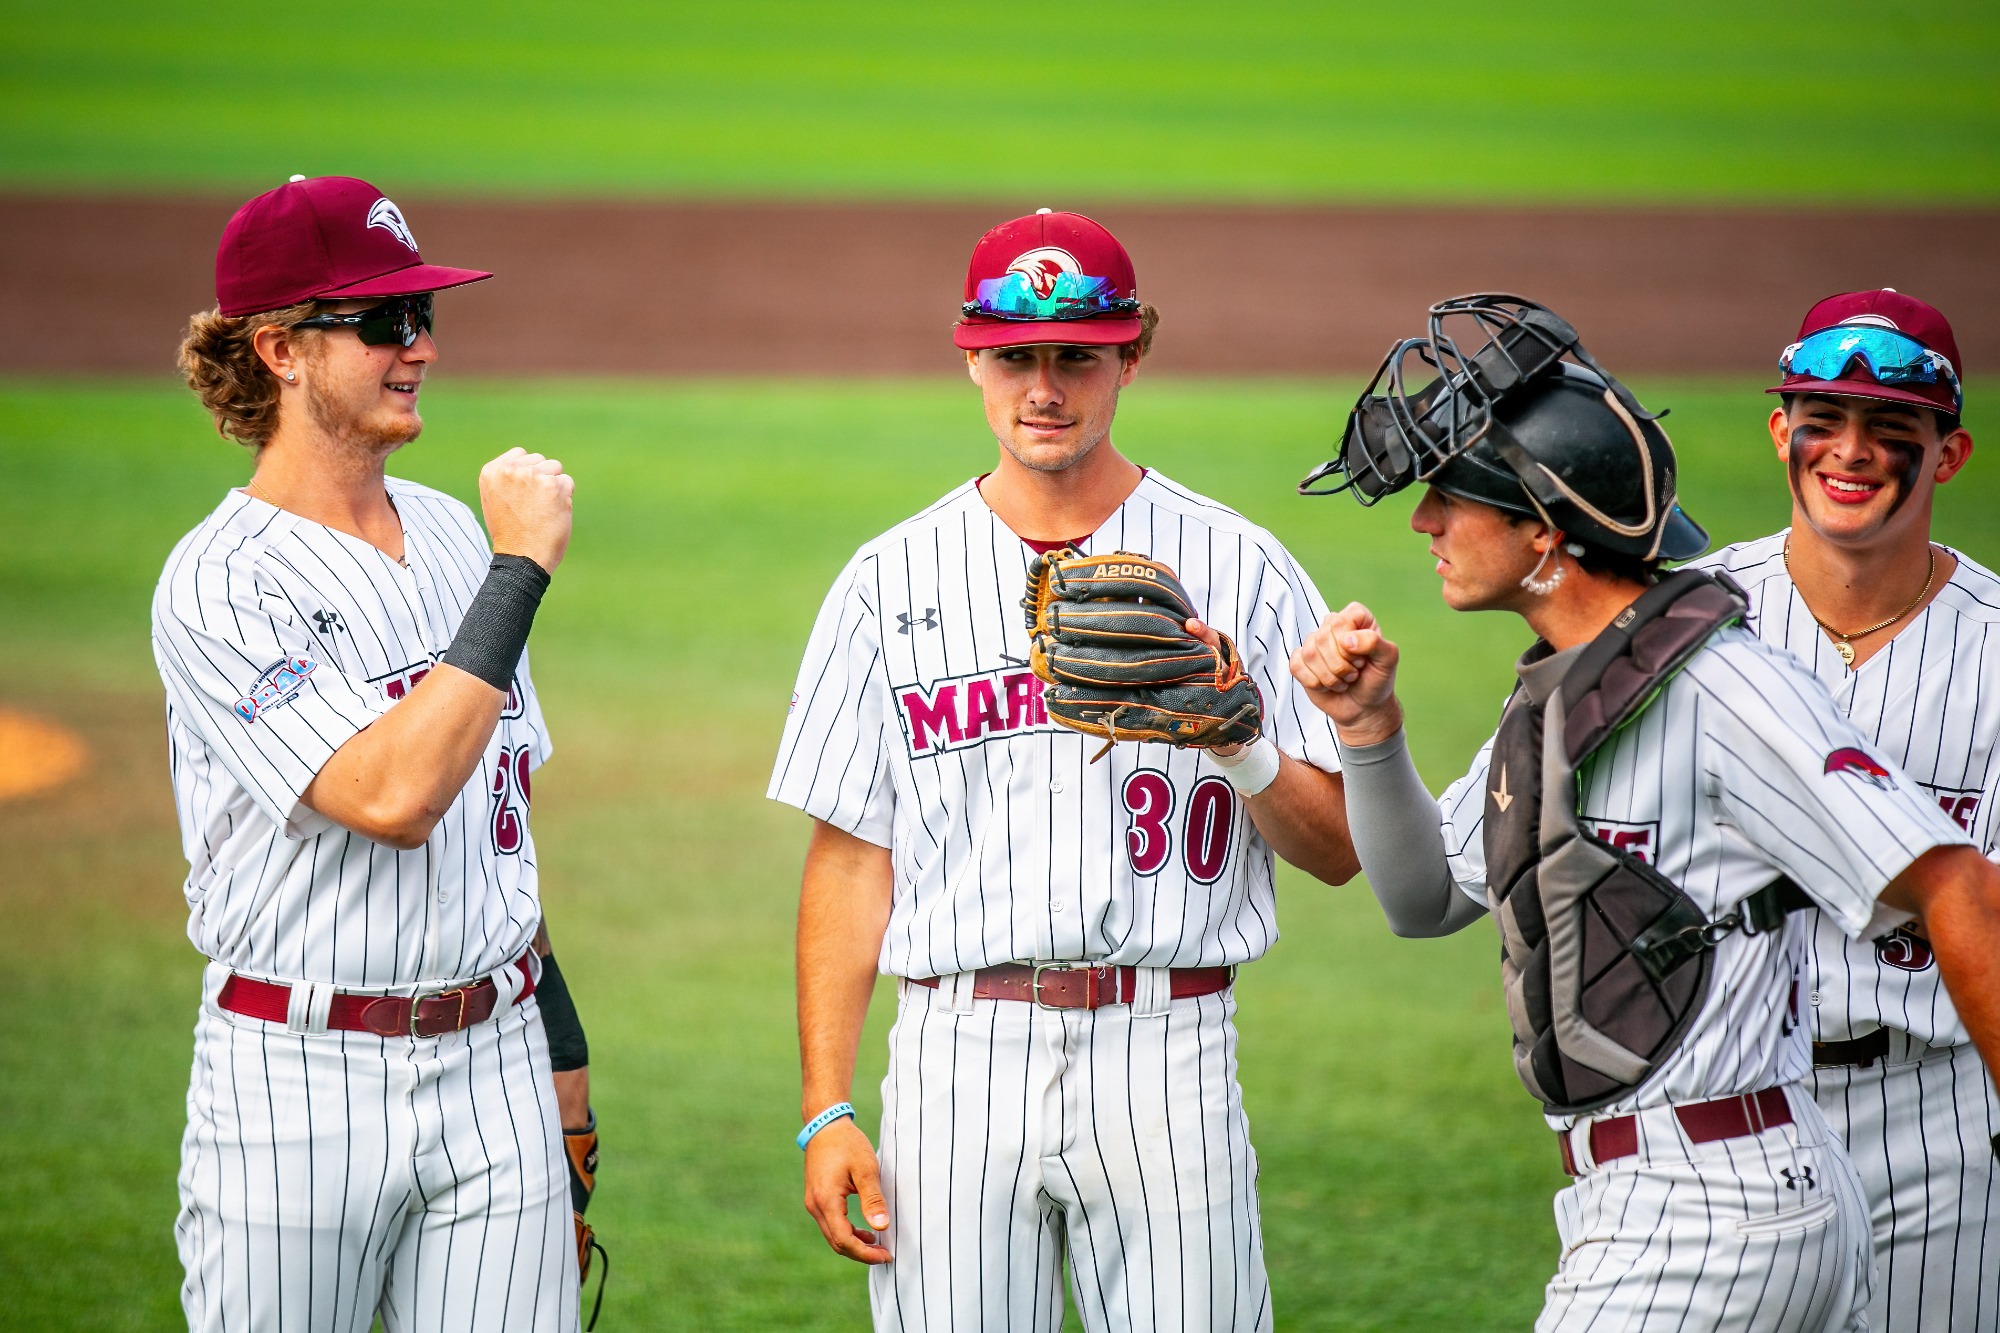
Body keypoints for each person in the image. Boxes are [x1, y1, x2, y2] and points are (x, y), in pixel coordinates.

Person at [1287, 294, 2000, 1330]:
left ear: (1542, 527)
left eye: (1451, 497)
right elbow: (1423, 894)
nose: (1422, 522)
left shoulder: (1715, 679)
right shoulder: (1581, 677)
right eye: (1821, 420)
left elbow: (1957, 886)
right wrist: (1365, 728)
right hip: (1693, 1172)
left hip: (1772, 1178)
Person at [769, 208, 1361, 1331]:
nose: (1043, 388)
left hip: (1168, 1047)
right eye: (1014, 357)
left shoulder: (1237, 565)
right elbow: (849, 860)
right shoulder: (886, 579)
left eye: (1075, 357)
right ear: (971, 361)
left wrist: (1234, 740)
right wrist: (824, 1107)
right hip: (953, 1058)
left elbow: (1337, 850)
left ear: (1130, 353)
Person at [156, 174, 595, 1331]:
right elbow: (391, 794)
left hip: (497, 1063)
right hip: (297, 1082)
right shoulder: (221, 582)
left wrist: (563, 1055)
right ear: (280, 349)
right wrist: (521, 574)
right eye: (384, 321)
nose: (421, 348)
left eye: (424, 318)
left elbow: (504, 817)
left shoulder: (456, 531)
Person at [1690, 289, 1998, 1330]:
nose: (1849, 451)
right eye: (1823, 419)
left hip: (1936, 1122)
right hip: (1722, 1116)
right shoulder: (1683, 620)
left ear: (1945, 454)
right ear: (1781, 431)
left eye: (1889, 428)